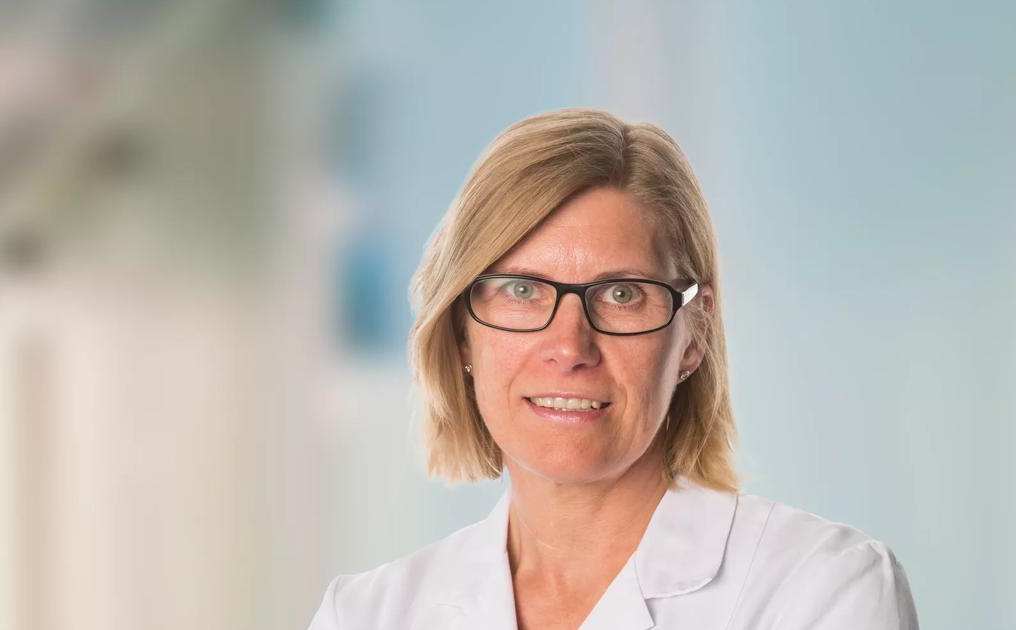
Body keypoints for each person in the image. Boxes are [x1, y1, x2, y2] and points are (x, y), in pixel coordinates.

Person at [307, 108, 918, 629]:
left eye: (623, 294)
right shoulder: (366, 615)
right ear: (462, 332)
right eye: (522, 290)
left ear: (693, 336)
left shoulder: (820, 588)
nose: (569, 346)